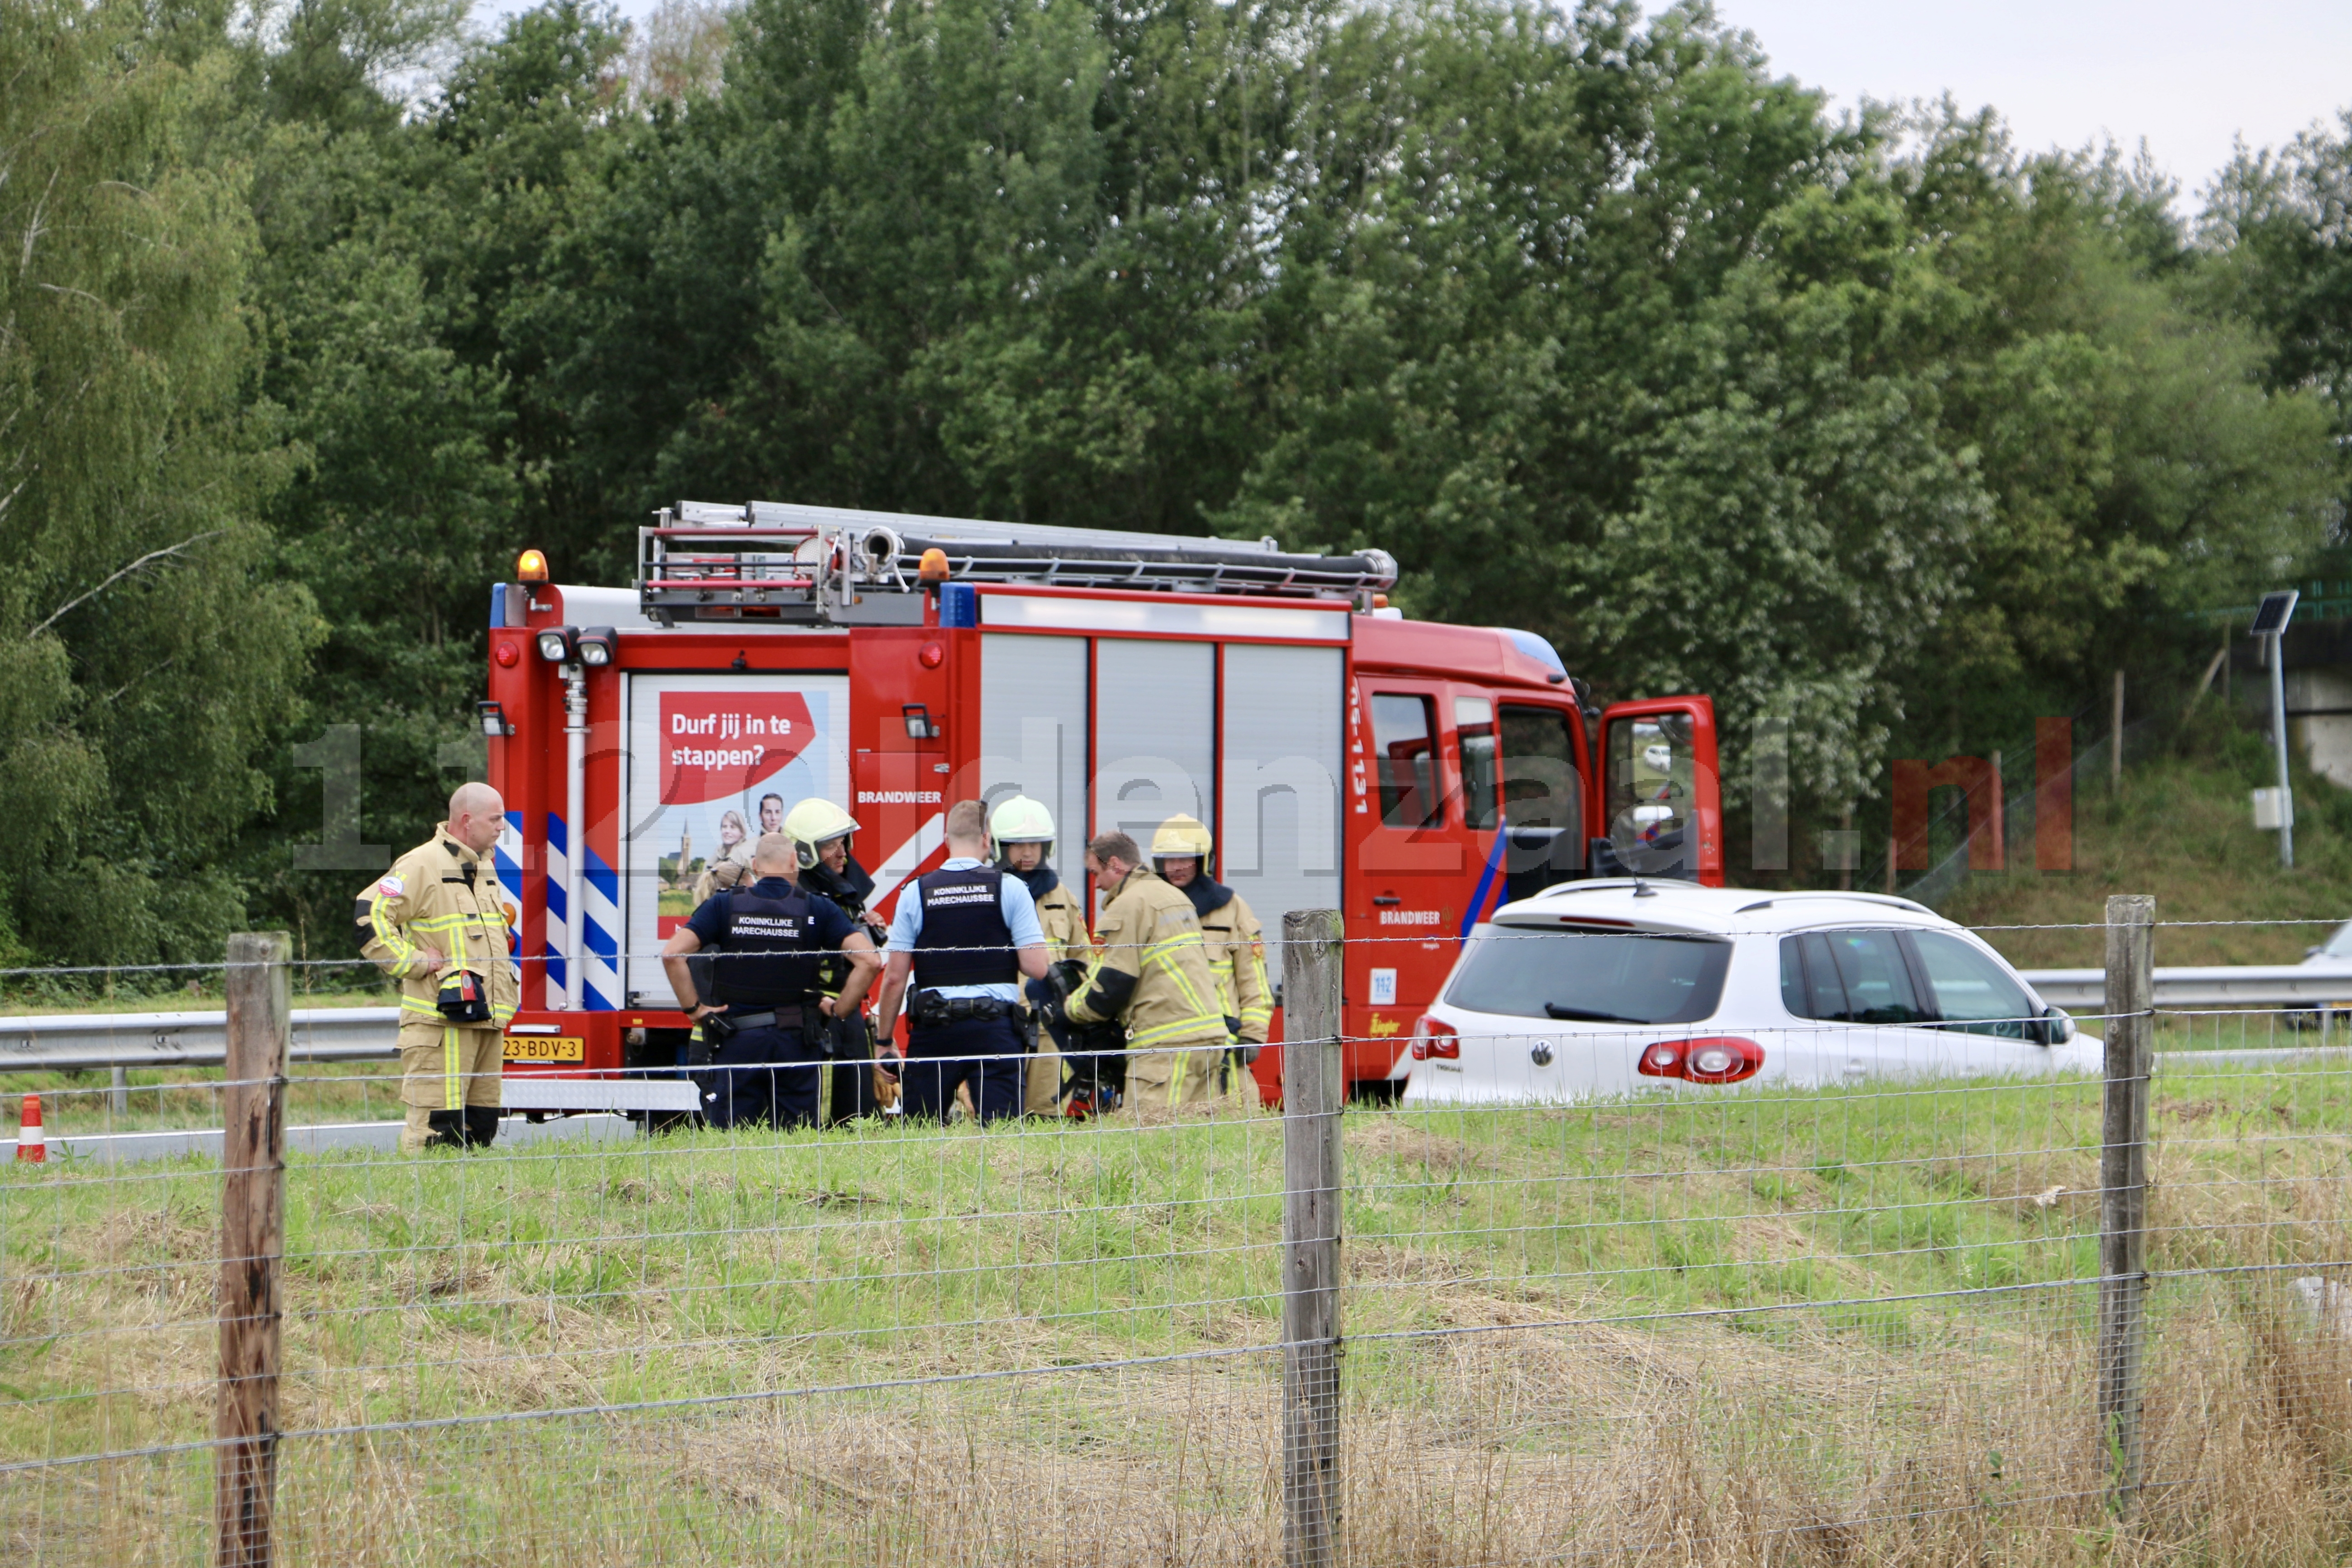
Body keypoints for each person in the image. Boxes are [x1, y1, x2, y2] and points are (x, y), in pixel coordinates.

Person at [661, 832, 880, 1129]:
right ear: (794, 862)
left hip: (737, 1040)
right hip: (797, 1040)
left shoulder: (724, 906)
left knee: (734, 1142)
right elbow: (870, 961)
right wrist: (840, 1010)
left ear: (755, 866)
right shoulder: (818, 908)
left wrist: (695, 1010)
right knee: (796, 1140)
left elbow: (672, 954)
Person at [356, 782, 520, 1152]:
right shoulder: (421, 863)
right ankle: (421, 1209)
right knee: (435, 1134)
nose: (502, 827)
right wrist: (412, 962)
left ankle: (471, 1211)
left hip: (485, 1021)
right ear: (467, 820)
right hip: (438, 1026)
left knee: (480, 1130)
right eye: (495, 819)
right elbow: (368, 916)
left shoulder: (483, 866)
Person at [871, 800, 1049, 1124]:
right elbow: (1037, 968)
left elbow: (895, 979)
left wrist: (884, 1042)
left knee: (920, 1133)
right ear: (986, 839)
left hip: (934, 1029)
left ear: (946, 838)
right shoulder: (1010, 888)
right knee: (1001, 1138)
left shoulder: (916, 892)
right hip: (995, 1030)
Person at [1059, 830, 1228, 1118]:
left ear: (1114, 864)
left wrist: (1069, 1009)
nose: (1097, 885)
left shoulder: (1126, 906)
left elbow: (1111, 986)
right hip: (1210, 1041)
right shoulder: (1175, 896)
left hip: (1164, 1049)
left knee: (1152, 1146)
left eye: (1095, 873)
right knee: (1201, 1147)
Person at [782, 797, 892, 1121]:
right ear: (805, 852)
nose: (842, 853)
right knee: (818, 1115)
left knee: (858, 1112)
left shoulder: (844, 895)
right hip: (814, 1018)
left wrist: (869, 929)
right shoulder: (794, 899)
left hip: (849, 1020)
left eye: (844, 842)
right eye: (831, 845)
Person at [1150, 814, 1271, 1090]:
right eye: (1169, 860)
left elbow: (1254, 979)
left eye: (1185, 859)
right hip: (1164, 1048)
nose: (1176, 867)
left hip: (1223, 1048)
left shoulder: (1232, 908)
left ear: (1204, 860)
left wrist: (1251, 1037)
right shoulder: (1149, 908)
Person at [991, 795, 1090, 1116]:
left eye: (1036, 844)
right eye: (1017, 844)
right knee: (997, 1114)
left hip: (1051, 1026)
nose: (1028, 852)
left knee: (1046, 1114)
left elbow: (1083, 957)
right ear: (999, 847)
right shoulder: (987, 891)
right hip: (1000, 1021)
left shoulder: (1062, 896)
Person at [691, 808, 754, 905]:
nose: (727, 831)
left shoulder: (748, 856)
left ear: (742, 832)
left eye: (733, 827)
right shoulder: (713, 859)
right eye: (724, 827)